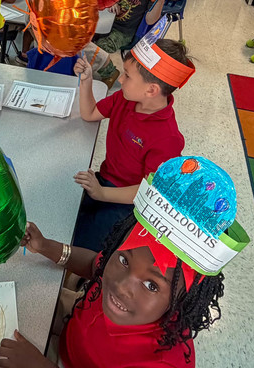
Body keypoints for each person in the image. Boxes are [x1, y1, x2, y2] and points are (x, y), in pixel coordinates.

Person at [0, 155, 247, 368]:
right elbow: (96, 266)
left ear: (184, 298)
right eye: (123, 259)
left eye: (152, 285)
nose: (122, 285)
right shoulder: (119, 286)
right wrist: (46, 246)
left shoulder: (165, 363)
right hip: (72, 330)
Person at [70, 36, 193, 251]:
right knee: (64, 217)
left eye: (127, 76)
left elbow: (150, 192)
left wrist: (102, 194)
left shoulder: (167, 138)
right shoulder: (124, 99)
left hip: (127, 202)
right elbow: (89, 113)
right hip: (104, 182)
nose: (120, 80)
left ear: (151, 90)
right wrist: (86, 81)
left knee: (83, 245)